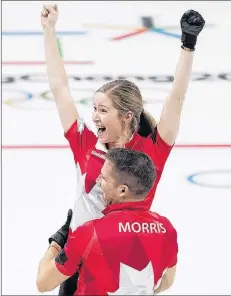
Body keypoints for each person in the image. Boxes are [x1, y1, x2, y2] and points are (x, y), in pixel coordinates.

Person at [41, 5, 204, 294]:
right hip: (79, 260)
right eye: (93, 108)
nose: (93, 117)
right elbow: (59, 87)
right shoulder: (86, 145)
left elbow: (176, 97)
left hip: (124, 262)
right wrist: (49, 31)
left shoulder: (152, 150)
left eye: (102, 110)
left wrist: (187, 45)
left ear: (127, 116)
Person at [37, 149, 178, 295]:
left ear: (122, 190)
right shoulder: (167, 229)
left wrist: (58, 241)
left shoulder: (90, 233)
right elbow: (167, 281)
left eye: (103, 178)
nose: (98, 181)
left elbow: (43, 282)